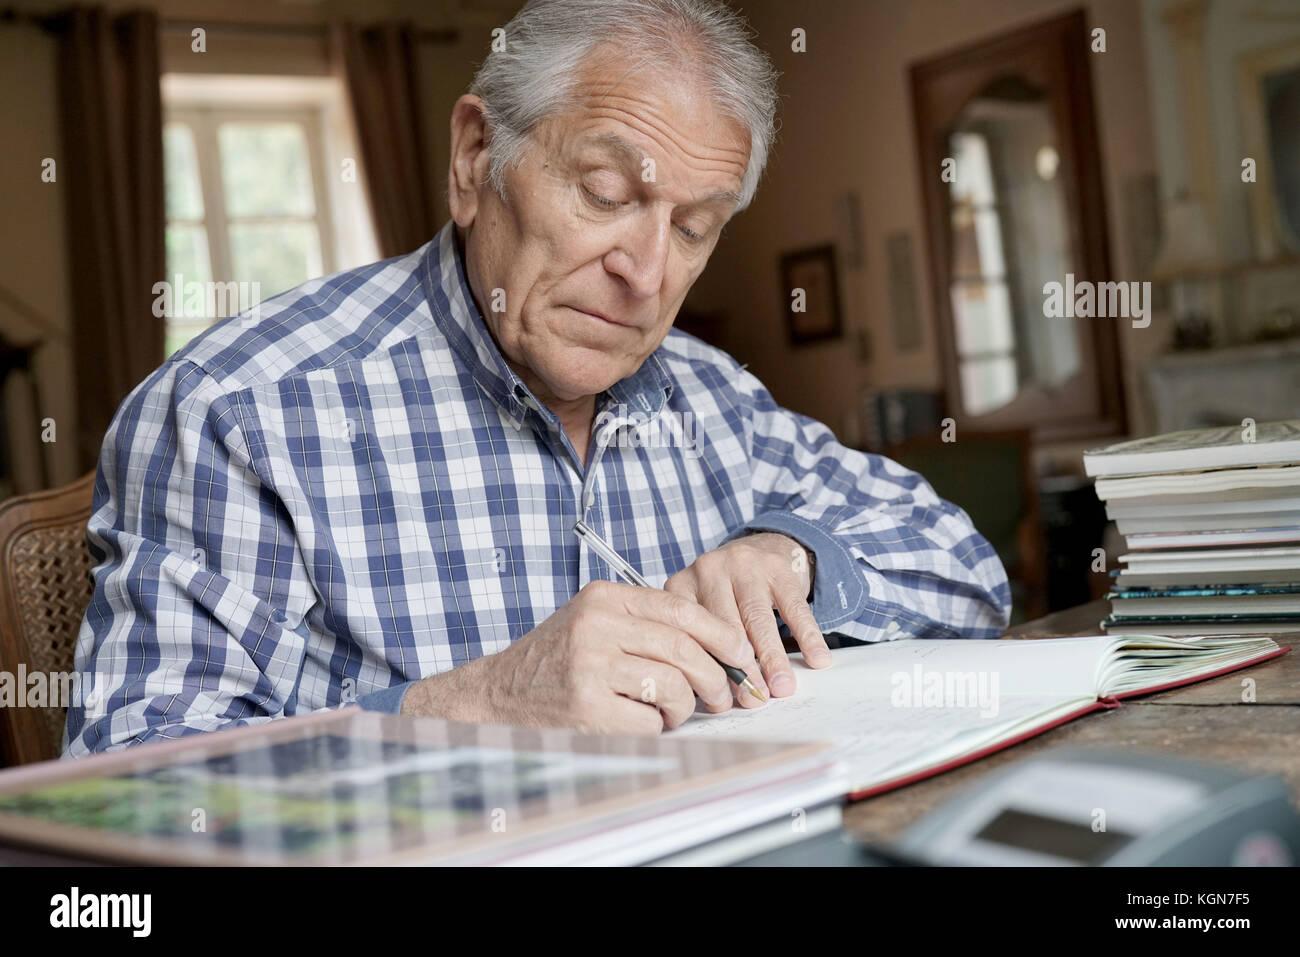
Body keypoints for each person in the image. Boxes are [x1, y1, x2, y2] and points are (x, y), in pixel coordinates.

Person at [65, 0, 1009, 756]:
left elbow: (967, 569)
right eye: (605, 194)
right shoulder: (237, 411)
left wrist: (791, 557)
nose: (645, 270)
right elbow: (140, 787)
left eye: (692, 228)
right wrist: (479, 706)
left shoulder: (714, 397)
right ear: (476, 159)